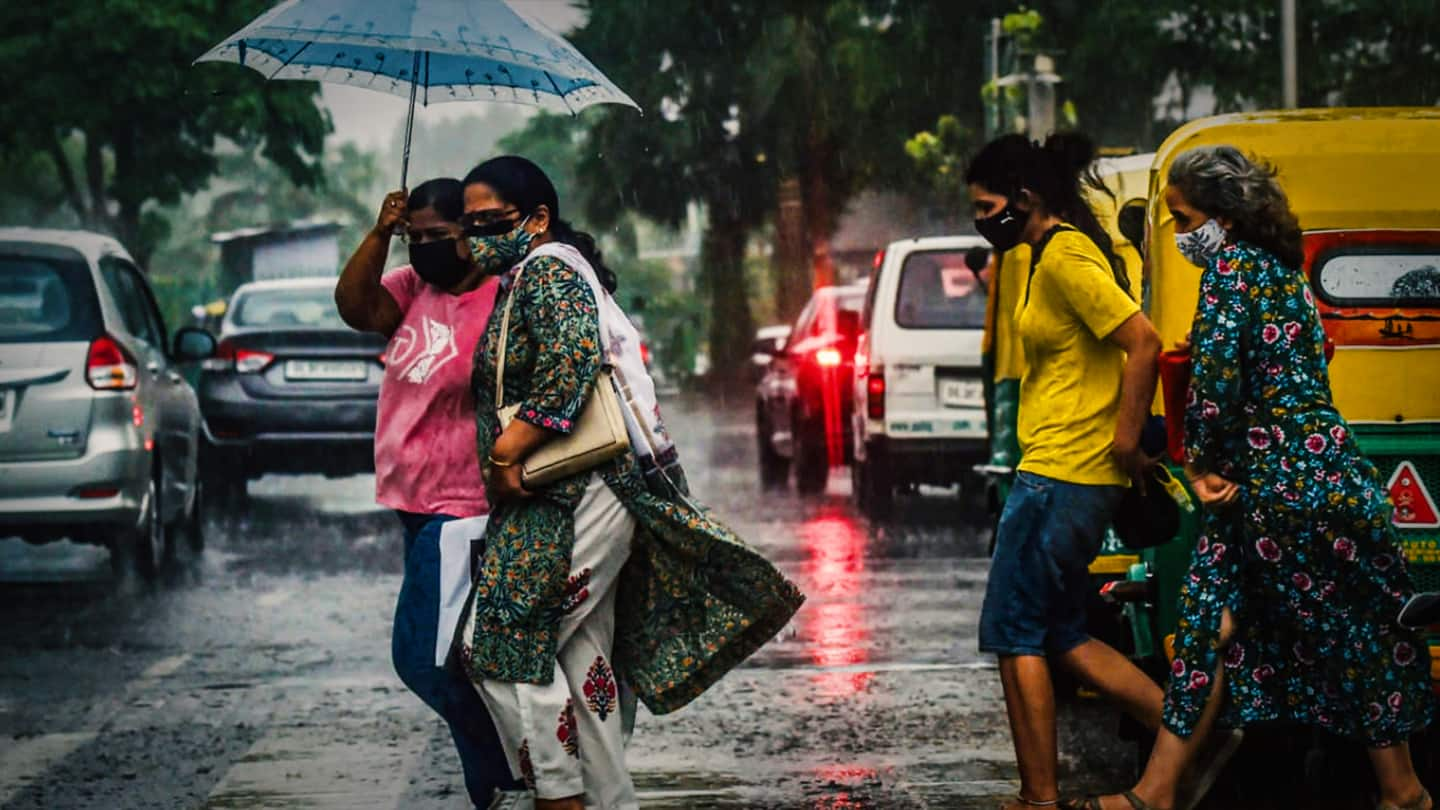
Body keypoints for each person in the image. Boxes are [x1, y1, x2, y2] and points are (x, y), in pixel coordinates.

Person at [1081, 147, 1434, 810]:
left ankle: (1404, 791)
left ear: (1226, 218)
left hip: (1280, 490)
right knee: (1216, 628)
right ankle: (1156, 791)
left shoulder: (1232, 271)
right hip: (1317, 476)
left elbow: (1214, 385)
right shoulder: (1283, 273)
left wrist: (1199, 463)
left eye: (1185, 219)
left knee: (1343, 634)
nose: (1182, 234)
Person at [452, 156, 804, 810]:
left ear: (537, 218)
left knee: (497, 646)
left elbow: (568, 372)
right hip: (571, 492)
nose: (475, 236)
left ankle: (560, 797)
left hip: (575, 490)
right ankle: (609, 800)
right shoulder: (531, 274)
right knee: (583, 661)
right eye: (467, 225)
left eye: (488, 222)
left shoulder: (548, 272)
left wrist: (505, 459)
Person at [966, 133, 1165, 810]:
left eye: (985, 206)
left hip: (1063, 472)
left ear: (1024, 199)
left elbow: (1143, 342)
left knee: (1013, 628)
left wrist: (1127, 442)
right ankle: (1187, 731)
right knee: (1059, 634)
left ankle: (1039, 796)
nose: (979, 221)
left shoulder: (1065, 257)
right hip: (1061, 470)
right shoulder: (1048, 255)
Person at [334, 180, 521, 809]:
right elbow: (354, 307)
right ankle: (496, 779)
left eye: (435, 237)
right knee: (457, 656)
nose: (423, 249)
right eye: (415, 238)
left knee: (422, 658)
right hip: (411, 503)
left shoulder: (502, 298)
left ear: (471, 233)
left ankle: (505, 766)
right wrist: (382, 232)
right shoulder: (412, 290)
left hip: (463, 509)